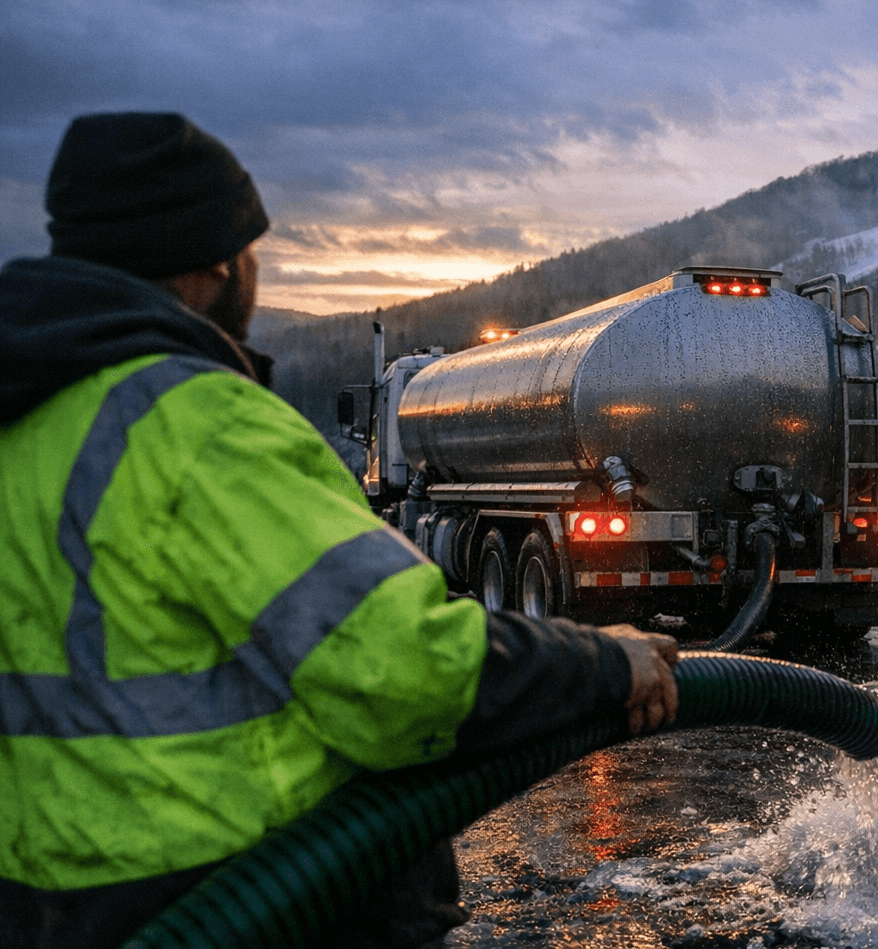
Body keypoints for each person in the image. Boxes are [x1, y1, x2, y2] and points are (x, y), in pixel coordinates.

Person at [0, 112, 679, 949]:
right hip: (250, 896)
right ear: (218, 258)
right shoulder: (194, 422)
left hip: (47, 902)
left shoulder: (26, 420)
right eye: (252, 248)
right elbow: (402, 671)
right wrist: (610, 661)